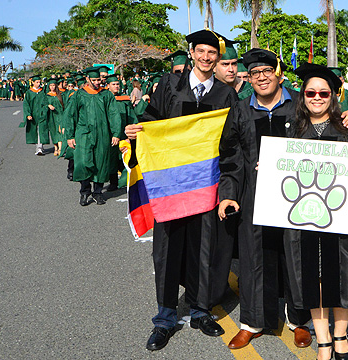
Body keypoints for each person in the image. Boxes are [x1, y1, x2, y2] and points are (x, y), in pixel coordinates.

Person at [217, 48, 348, 350]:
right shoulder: (241, 110)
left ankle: (300, 320)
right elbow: (230, 157)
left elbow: (328, 125)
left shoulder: (299, 102)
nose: (261, 77)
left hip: (297, 197)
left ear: (278, 73)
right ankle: (252, 322)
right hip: (254, 197)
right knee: (254, 258)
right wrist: (228, 195)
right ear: (249, 78)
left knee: (297, 257)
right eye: (255, 73)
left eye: (267, 71)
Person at [124, 29, 239, 351]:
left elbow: (231, 142)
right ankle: (164, 317)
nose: (206, 57)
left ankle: (201, 310)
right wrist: (136, 131)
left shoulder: (225, 94)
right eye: (200, 51)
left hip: (206, 186)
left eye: (212, 53)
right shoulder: (169, 85)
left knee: (204, 248)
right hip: (170, 187)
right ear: (191, 53)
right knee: (167, 249)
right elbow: (152, 120)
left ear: (217, 56)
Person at [285, 63, 348, 360]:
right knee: (312, 275)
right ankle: (322, 339)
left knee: (341, 274)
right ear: (303, 96)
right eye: (311, 92)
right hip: (303, 218)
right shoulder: (292, 129)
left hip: (340, 218)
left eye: (324, 92)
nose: (317, 97)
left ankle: (340, 334)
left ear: (333, 96)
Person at [63, 66, 121, 206]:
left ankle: (98, 192)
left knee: (100, 163)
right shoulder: (79, 95)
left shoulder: (106, 95)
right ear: (87, 79)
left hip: (102, 134)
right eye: (94, 80)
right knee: (83, 163)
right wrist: (70, 136)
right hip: (83, 134)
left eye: (98, 80)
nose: (97, 82)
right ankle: (84, 191)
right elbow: (70, 115)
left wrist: (116, 133)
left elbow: (113, 114)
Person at [106, 74, 137, 191]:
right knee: (111, 159)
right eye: (113, 84)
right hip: (110, 135)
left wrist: (131, 137)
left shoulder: (124, 100)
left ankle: (127, 181)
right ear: (108, 86)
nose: (116, 86)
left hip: (124, 135)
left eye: (117, 84)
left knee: (125, 158)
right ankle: (113, 182)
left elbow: (131, 117)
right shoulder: (104, 99)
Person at [23, 75, 50, 155]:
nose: (38, 84)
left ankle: (40, 147)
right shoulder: (29, 92)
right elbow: (26, 104)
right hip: (33, 114)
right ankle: (38, 147)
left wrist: (44, 111)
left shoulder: (43, 92)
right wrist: (28, 114)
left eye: (39, 82)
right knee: (35, 131)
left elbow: (46, 102)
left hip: (42, 114)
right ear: (33, 83)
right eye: (37, 82)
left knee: (41, 130)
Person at [45, 79, 64, 156]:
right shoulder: (47, 95)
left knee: (59, 131)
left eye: (53, 85)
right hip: (51, 116)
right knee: (53, 132)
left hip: (60, 115)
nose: (52, 87)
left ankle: (60, 149)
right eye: (51, 85)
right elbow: (43, 105)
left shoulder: (60, 94)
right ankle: (55, 148)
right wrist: (48, 105)